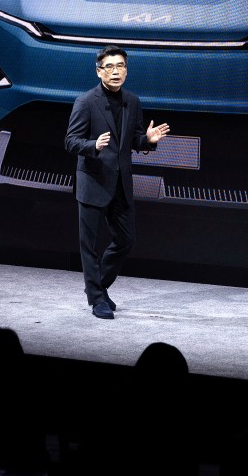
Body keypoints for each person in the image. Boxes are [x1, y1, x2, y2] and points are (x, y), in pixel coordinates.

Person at [65, 44, 169, 319]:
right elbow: (71, 141)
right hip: (93, 180)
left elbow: (134, 139)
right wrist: (93, 145)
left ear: (126, 70)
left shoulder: (132, 101)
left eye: (120, 66)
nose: (115, 71)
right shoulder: (86, 102)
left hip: (121, 182)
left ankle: (98, 287)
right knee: (89, 245)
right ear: (99, 71)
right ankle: (97, 299)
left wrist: (147, 140)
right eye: (109, 66)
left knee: (126, 240)